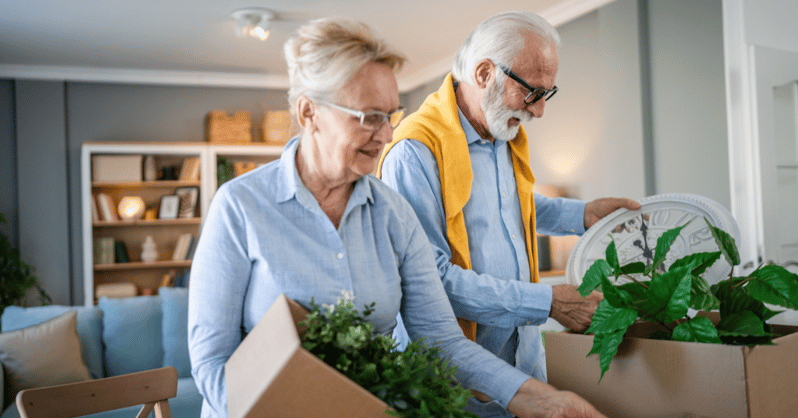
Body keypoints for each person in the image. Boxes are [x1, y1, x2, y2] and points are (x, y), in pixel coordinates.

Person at [188, 16, 606, 418]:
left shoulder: (393, 217)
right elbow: (212, 363)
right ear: (308, 113)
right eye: (370, 117)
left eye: (391, 116)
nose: (388, 136)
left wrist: (536, 398)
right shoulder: (240, 206)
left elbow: (442, 341)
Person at [378, 11, 640, 417]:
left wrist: (583, 213)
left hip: (522, 362)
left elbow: (508, 208)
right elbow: (431, 281)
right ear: (484, 73)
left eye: (546, 94)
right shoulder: (415, 152)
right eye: (533, 93)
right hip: (453, 383)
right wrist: (548, 302)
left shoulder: (501, 134)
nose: (538, 112)